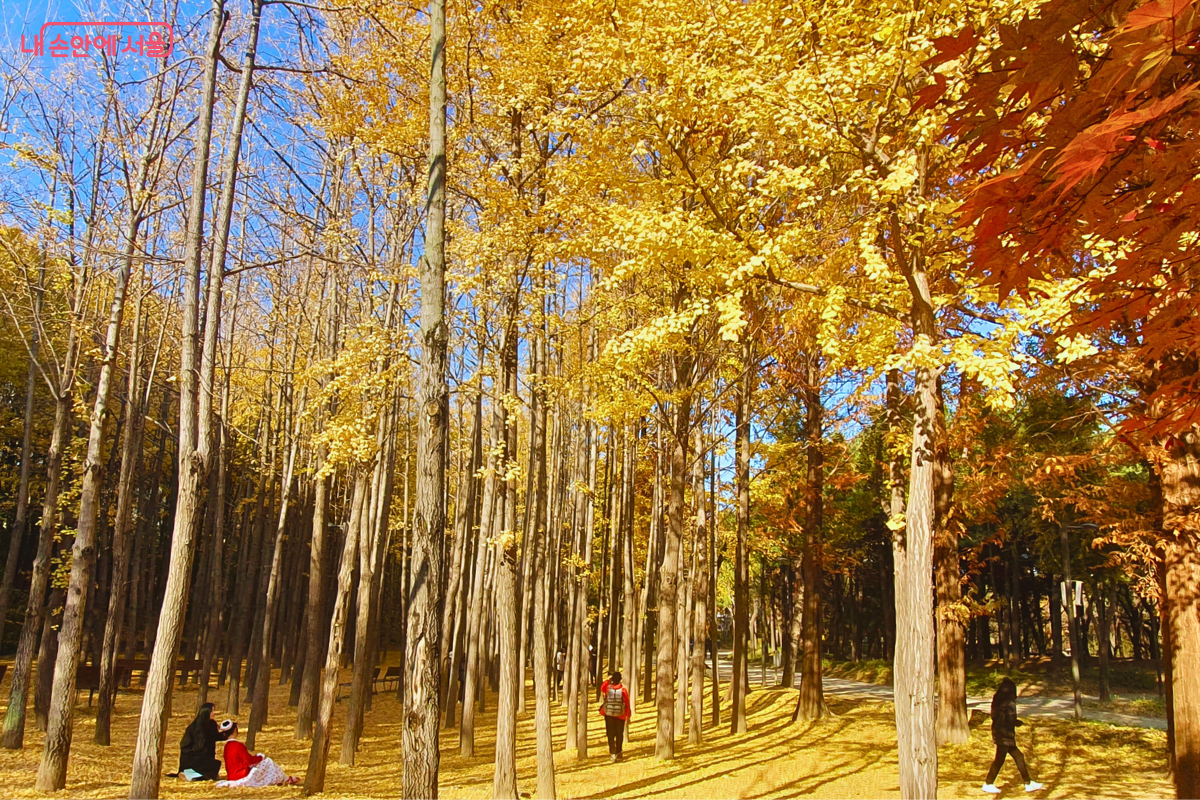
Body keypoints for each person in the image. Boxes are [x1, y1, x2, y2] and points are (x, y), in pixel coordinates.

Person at [983, 678, 1043, 794]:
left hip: (998, 732)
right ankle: (988, 783)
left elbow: (998, 717)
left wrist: (1015, 722)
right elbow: (1009, 718)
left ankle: (1028, 783)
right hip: (1006, 735)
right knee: (1001, 760)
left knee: (1017, 757)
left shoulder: (997, 700)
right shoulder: (1009, 703)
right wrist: (1016, 722)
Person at [215, 720, 299, 787]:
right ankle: (285, 779)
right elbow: (249, 761)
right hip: (241, 774)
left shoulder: (227, 746)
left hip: (231, 775)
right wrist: (260, 757)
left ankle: (284, 779)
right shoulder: (238, 745)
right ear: (235, 731)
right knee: (268, 762)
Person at [171, 702, 228, 780]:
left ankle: (194, 776)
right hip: (193, 758)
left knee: (215, 766)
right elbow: (185, 745)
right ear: (206, 712)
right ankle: (186, 774)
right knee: (208, 771)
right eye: (212, 711)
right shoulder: (193, 728)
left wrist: (227, 734)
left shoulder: (212, 724)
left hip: (207, 758)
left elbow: (215, 737)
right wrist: (193, 754)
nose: (214, 713)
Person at [597, 671, 631, 763]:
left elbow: (602, 688)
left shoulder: (608, 689)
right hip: (621, 715)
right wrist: (628, 716)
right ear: (620, 680)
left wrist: (608, 680)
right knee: (619, 734)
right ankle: (619, 751)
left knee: (610, 734)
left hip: (609, 714)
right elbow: (627, 703)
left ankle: (612, 752)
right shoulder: (623, 690)